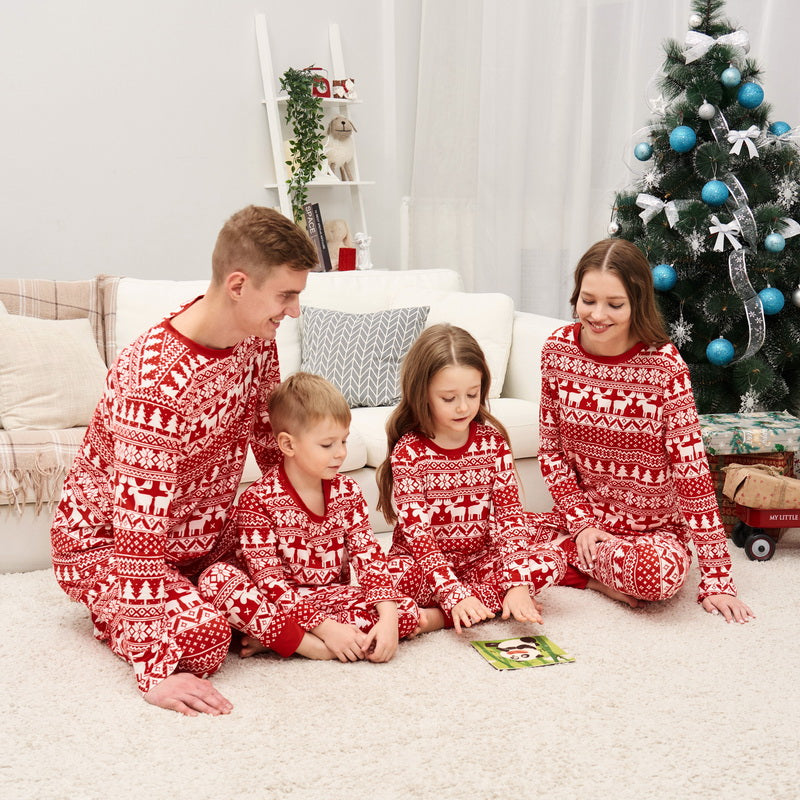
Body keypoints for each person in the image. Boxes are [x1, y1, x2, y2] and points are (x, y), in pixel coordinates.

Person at [50, 205, 327, 718]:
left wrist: (298, 536)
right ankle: (125, 613)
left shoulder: (255, 342)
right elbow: (138, 538)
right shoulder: (154, 384)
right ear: (238, 285)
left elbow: (271, 448)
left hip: (204, 535)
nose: (293, 311)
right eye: (285, 295)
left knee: (316, 571)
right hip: (110, 545)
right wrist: (153, 669)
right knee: (204, 643)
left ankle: (205, 590)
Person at [532, 237, 755, 623]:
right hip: (583, 522)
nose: (597, 315)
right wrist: (582, 524)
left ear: (637, 302)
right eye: (588, 300)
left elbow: (692, 474)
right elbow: (551, 452)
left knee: (658, 578)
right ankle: (593, 575)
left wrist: (717, 577)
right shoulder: (558, 351)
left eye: (614, 304)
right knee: (480, 533)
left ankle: (563, 562)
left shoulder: (664, 367)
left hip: (654, 534)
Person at [376, 324, 567, 634]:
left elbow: (509, 519)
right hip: (424, 565)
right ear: (422, 394)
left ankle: (452, 612)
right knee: (390, 579)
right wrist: (453, 593)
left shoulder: (493, 444)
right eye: (448, 398)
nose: (463, 406)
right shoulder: (409, 453)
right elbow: (419, 536)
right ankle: (469, 606)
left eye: (472, 394)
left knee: (552, 560)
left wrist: (518, 583)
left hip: (480, 560)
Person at [234, 372, 423, 664]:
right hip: (281, 603)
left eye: (343, 441)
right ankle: (310, 644)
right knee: (220, 584)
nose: (340, 454)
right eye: (327, 445)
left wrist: (388, 619)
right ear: (288, 445)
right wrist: (328, 629)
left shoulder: (348, 491)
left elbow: (369, 558)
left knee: (405, 611)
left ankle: (280, 639)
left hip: (332, 598)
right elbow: (269, 583)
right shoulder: (257, 500)